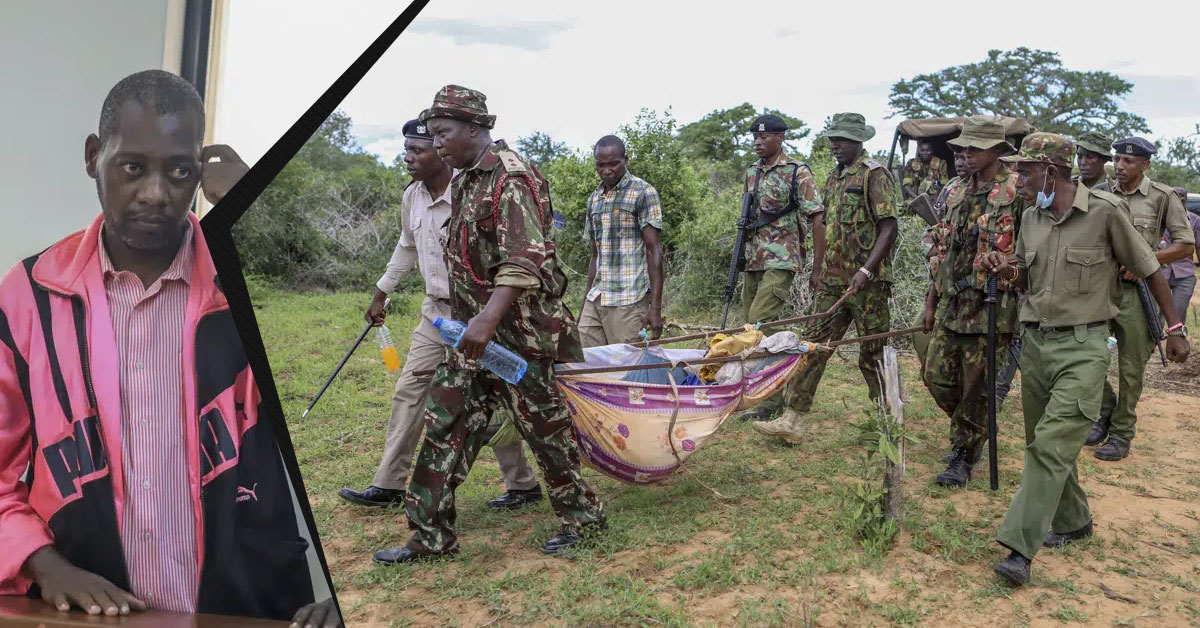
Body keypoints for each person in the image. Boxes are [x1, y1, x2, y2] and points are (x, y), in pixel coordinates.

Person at [0, 70, 339, 627]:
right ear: (93, 156)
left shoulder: (247, 286)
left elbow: (335, 418)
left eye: (179, 172)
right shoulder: (30, 296)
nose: (155, 193)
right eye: (132, 167)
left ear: (200, 172)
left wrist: (255, 219)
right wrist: (45, 566)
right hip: (91, 618)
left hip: (251, 613)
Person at [373, 85, 605, 565]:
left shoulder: (511, 179)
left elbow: (525, 261)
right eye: (433, 135)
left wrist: (484, 321)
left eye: (443, 133)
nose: (437, 144)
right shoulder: (464, 182)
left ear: (475, 130)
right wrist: (467, 325)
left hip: (520, 338)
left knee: (546, 431)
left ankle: (583, 518)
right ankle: (429, 536)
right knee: (445, 422)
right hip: (472, 337)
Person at [981, 132, 1189, 586]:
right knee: (1047, 443)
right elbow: (1024, 274)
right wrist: (1007, 270)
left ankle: (1019, 547)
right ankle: (1074, 521)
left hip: (1083, 348)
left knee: (1050, 446)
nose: (1017, 178)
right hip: (1035, 345)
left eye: (1025, 170)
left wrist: (1174, 330)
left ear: (1051, 171)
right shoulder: (1031, 216)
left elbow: (1152, 270)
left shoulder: (1105, 213)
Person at [338, 120, 543, 513]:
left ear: (438, 148)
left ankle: (522, 485)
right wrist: (382, 291)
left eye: (417, 150)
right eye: (407, 149)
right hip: (435, 315)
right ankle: (389, 484)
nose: (408, 157)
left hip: (480, 314)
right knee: (410, 391)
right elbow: (406, 245)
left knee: (493, 397)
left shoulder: (473, 191)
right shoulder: (412, 196)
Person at [754, 113, 897, 442]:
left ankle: (885, 421)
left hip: (868, 283)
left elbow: (889, 226)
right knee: (813, 347)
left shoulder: (875, 175)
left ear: (859, 141)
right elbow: (826, 227)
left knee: (873, 351)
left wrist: (867, 270)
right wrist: (817, 269)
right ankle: (793, 419)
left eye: (843, 139)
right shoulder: (833, 177)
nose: (835, 144)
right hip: (834, 280)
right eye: (833, 138)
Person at [919, 117, 1026, 488]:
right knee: (936, 377)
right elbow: (942, 250)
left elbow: (1029, 254)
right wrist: (931, 303)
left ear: (997, 151)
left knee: (977, 386)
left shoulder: (1016, 192)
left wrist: (1010, 269)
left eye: (973, 148)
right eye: (962, 147)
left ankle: (964, 452)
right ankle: (974, 429)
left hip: (991, 306)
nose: (965, 153)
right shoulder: (953, 191)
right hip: (951, 302)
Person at [1087, 138, 1195, 460]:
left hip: (1139, 292)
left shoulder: (1162, 198)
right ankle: (1105, 411)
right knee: (1086, 354)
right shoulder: (1101, 193)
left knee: (1131, 368)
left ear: (1145, 165)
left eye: (1128, 161)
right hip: (1099, 288)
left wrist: (1147, 259)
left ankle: (1121, 433)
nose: (1120, 166)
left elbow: (1185, 245)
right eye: (1117, 159)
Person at [737, 114, 823, 422]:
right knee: (754, 327)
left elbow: (816, 216)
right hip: (754, 258)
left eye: (765, 137)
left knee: (759, 323)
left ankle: (771, 398)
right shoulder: (752, 172)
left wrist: (817, 266)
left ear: (780, 138)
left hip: (782, 257)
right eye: (755, 138)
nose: (758, 142)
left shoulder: (796, 171)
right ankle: (767, 396)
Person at [580, 135, 664, 346]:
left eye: (613, 164)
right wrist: (584, 303)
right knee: (586, 361)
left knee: (626, 367)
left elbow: (654, 251)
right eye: (601, 165)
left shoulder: (643, 192)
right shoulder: (594, 199)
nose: (606, 170)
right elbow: (595, 255)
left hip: (629, 298)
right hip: (597, 296)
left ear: (625, 160)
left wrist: (655, 309)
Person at [914, 146, 971, 368]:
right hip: (943, 282)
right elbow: (933, 228)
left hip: (975, 288)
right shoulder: (952, 187)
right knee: (922, 333)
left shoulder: (1002, 190)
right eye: (957, 157)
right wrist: (931, 249)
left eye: (967, 157)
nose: (960, 162)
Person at [1160, 186, 1200, 324]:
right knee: (1154, 315)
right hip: (1159, 272)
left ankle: (1177, 342)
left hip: (1184, 274)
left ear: (1186, 199)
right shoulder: (1159, 218)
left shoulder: (1195, 220)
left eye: (1182, 196)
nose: (1179, 199)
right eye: (1176, 196)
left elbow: (1198, 246)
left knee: (1178, 315)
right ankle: (1152, 344)